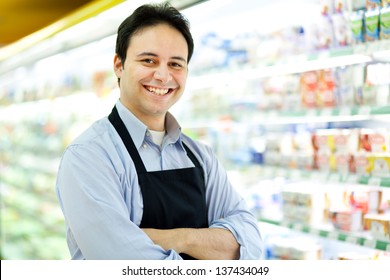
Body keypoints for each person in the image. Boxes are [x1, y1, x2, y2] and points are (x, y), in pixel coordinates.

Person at [56, 2, 262, 260]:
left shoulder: (201, 156)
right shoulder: (89, 157)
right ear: (119, 65)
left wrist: (177, 237)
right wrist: (210, 245)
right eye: (148, 60)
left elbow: (251, 246)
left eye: (176, 64)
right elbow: (129, 267)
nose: (163, 76)